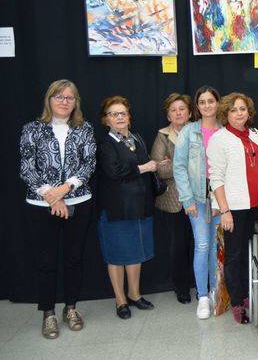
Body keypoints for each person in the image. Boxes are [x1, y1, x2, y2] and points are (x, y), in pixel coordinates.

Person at [19, 80, 96, 339]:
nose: (64, 101)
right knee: (46, 260)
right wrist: (52, 197)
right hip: (40, 204)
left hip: (78, 202)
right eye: (59, 96)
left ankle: (71, 308)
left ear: (76, 103)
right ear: (49, 99)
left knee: (74, 258)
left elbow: (88, 164)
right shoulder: (32, 129)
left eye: (70, 97)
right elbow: (27, 167)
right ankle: (48, 313)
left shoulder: (84, 129)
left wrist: (64, 190)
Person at [97, 95, 163, 319]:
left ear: (129, 117)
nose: (119, 117)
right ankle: (120, 300)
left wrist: (155, 166)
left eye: (123, 113)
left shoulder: (137, 138)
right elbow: (113, 172)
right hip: (117, 209)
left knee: (136, 252)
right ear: (106, 120)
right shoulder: (105, 143)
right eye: (114, 114)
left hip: (140, 205)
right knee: (116, 255)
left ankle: (134, 295)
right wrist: (145, 168)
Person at [208, 92, 258, 324]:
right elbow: (216, 178)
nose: (238, 113)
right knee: (235, 256)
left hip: (257, 204)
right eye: (233, 110)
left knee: (253, 253)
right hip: (234, 208)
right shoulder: (219, 138)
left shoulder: (254, 134)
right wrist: (224, 210)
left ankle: (253, 293)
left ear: (249, 111)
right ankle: (238, 302)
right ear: (225, 114)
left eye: (242, 109)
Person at [173, 86, 221, 319]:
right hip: (198, 199)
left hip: (220, 199)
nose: (207, 106)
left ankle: (215, 291)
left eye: (211, 101)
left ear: (218, 103)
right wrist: (187, 199)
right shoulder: (189, 132)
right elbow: (179, 166)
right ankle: (202, 296)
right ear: (197, 106)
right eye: (202, 102)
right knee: (202, 245)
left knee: (216, 246)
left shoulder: (225, 129)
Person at [151, 93, 193, 304]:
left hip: (198, 198)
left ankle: (204, 285)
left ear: (190, 112)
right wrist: (185, 164)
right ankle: (182, 288)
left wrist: (174, 163)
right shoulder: (162, 136)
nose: (178, 113)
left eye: (182, 109)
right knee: (178, 246)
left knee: (200, 245)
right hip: (173, 201)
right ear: (168, 114)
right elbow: (159, 169)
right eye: (173, 110)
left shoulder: (199, 131)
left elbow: (206, 164)